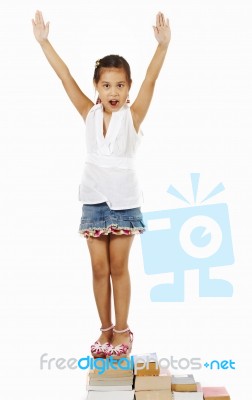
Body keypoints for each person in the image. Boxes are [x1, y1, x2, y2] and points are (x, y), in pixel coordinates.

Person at [32, 10, 171, 359]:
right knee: (98, 268)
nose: (114, 91)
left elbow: (152, 80)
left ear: (129, 88)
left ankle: (123, 330)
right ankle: (105, 330)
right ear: (96, 86)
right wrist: (44, 42)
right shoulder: (89, 114)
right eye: (106, 84)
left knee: (119, 267)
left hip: (124, 203)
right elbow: (64, 77)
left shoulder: (132, 116)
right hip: (94, 201)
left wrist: (162, 46)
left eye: (121, 85)